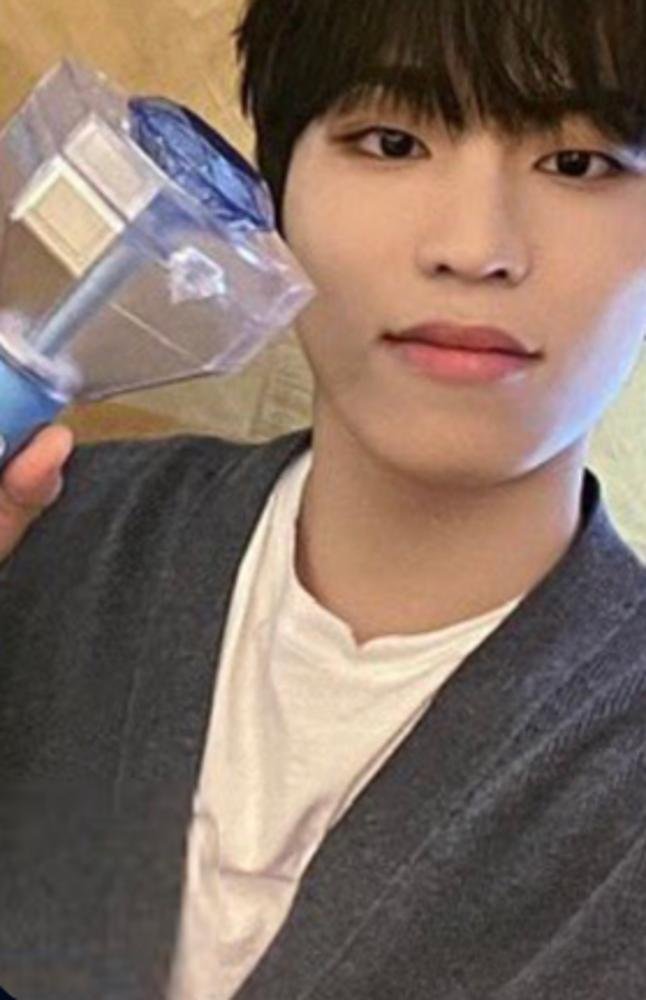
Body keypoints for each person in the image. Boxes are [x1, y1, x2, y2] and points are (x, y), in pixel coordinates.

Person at [1, 1, 646, 998]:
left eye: (577, 163)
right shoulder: (46, 542)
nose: (472, 246)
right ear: (276, 196)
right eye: (391, 142)